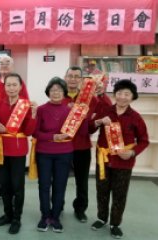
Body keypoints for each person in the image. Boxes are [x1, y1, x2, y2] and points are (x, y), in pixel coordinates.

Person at [90, 80, 149, 239]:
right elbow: (90, 128)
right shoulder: (105, 110)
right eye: (119, 93)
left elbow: (144, 141)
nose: (122, 97)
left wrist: (131, 153)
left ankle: (115, 224)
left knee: (120, 193)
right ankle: (102, 218)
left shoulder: (136, 117)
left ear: (132, 97)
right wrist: (99, 121)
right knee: (101, 190)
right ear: (114, 94)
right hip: (104, 159)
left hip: (124, 161)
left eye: (127, 94)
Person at [0, 73, 37, 234]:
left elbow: (29, 131)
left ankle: (17, 218)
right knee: (4, 185)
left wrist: (33, 115)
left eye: (14, 85)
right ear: (4, 87)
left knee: (17, 186)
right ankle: (7, 214)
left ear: (20, 87)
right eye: (8, 85)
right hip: (2, 150)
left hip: (18, 150)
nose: (11, 88)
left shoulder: (25, 105)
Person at [0, 56, 29, 202]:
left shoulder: (18, 83)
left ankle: (11, 194)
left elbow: (25, 105)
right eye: (0, 63)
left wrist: (10, 127)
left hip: (12, 133)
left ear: (13, 66)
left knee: (11, 171)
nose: (3, 65)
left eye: (7, 63)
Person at [33, 77, 73, 233]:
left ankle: (55, 217)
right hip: (44, 152)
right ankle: (44, 216)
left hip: (64, 153)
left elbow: (74, 132)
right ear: (48, 92)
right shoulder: (41, 109)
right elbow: (35, 133)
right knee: (43, 185)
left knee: (60, 185)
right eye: (53, 89)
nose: (56, 92)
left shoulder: (70, 111)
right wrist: (53, 137)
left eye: (59, 90)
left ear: (64, 92)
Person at [63, 66, 97, 222]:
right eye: (70, 76)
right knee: (59, 179)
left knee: (82, 181)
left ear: (82, 80)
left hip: (82, 145)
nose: (73, 79)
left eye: (77, 76)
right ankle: (57, 206)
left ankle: (80, 209)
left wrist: (102, 93)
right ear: (65, 77)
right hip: (61, 146)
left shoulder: (90, 98)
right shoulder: (58, 96)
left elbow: (105, 109)